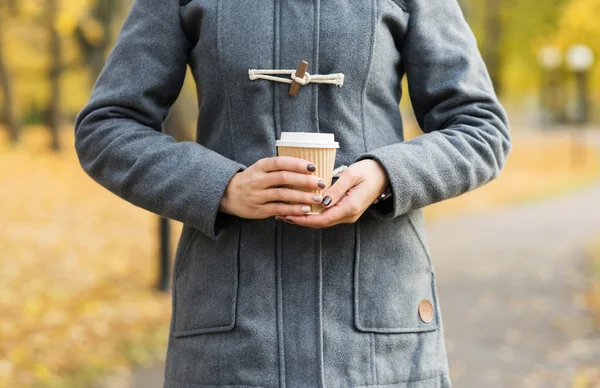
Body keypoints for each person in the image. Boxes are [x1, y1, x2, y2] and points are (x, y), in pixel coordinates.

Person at [74, 0, 511, 386]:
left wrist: (384, 175)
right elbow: (107, 127)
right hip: (232, 331)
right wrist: (222, 186)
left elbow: (481, 129)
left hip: (378, 332)